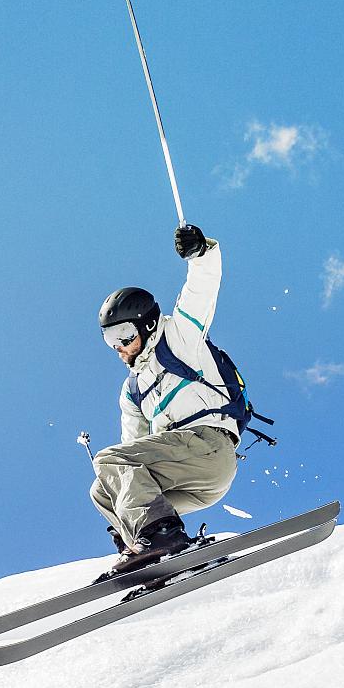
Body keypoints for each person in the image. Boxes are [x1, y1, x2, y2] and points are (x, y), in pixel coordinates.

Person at [91, 222, 239, 579]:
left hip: (209, 447)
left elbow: (202, 289)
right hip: (186, 480)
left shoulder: (179, 337)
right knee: (103, 488)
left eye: (125, 334)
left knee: (108, 459)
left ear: (146, 324)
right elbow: (133, 451)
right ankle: (147, 550)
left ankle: (162, 537)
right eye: (111, 339)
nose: (120, 347)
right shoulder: (133, 390)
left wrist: (201, 253)